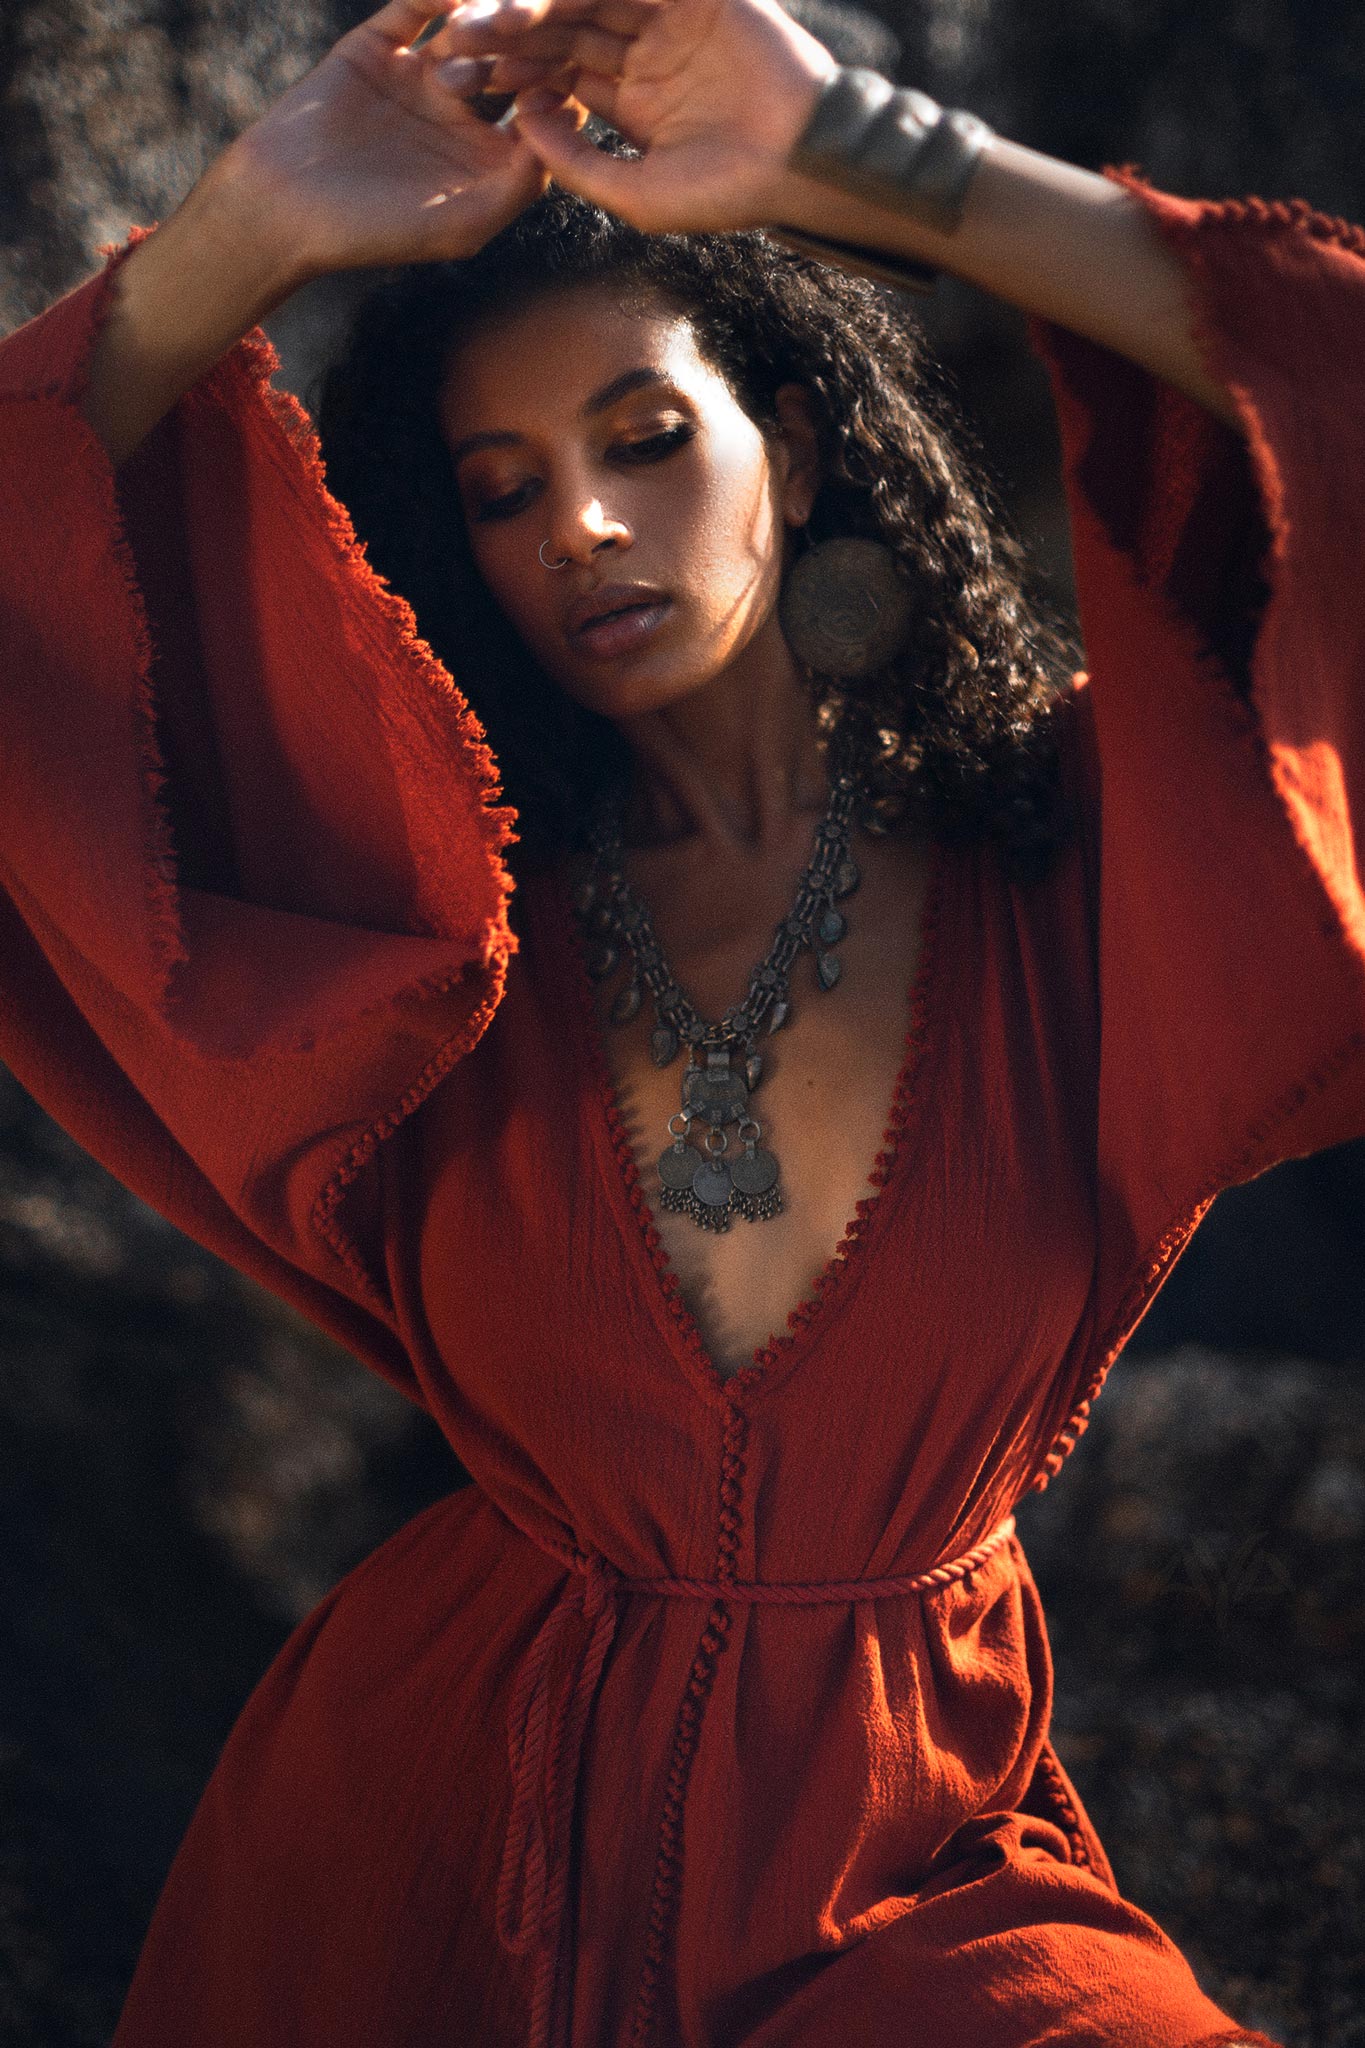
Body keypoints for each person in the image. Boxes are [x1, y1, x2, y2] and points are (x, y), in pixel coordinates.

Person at [0, 0, 1360, 2039]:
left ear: (790, 440)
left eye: (645, 437)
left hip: (911, 1880)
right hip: (415, 1862)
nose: (581, 528)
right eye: (501, 486)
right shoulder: (425, 929)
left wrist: (861, 148)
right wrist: (253, 224)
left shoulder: (1078, 864)